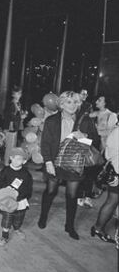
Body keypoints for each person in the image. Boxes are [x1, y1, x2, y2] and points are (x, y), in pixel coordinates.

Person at [38, 91, 100, 240]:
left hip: (74, 163)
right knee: (50, 191)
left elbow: (96, 141)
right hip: (54, 161)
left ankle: (69, 226)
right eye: (69, 102)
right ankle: (43, 217)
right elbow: (45, 143)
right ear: (62, 104)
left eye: (76, 102)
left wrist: (85, 137)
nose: (73, 106)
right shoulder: (52, 120)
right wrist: (48, 162)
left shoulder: (85, 121)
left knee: (72, 195)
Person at [0, 148, 33, 245]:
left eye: (19, 159)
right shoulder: (5, 171)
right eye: (14, 158)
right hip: (8, 201)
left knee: (19, 218)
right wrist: (4, 190)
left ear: (24, 161)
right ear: (11, 158)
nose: (16, 161)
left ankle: (17, 229)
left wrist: (20, 196)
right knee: (7, 219)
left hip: (20, 201)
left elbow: (28, 188)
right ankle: (4, 236)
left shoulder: (26, 174)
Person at [91, 124, 119, 244]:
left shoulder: (116, 131)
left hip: (116, 171)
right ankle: (98, 228)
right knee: (112, 202)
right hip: (117, 171)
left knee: (112, 202)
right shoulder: (117, 133)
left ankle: (98, 228)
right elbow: (109, 155)